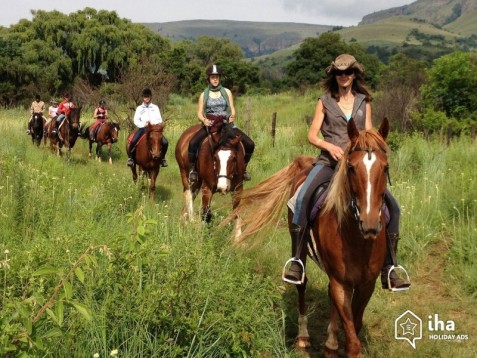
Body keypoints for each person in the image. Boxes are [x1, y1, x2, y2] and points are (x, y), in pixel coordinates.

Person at [283, 54, 411, 291]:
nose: (344, 77)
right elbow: (312, 135)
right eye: (339, 73)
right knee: (300, 199)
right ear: (334, 76)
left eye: (348, 72)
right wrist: (328, 146)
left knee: (393, 207)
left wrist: (374, 147)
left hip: (357, 166)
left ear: (355, 75)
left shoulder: (364, 101)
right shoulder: (324, 101)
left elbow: (369, 132)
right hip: (329, 163)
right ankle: (297, 261)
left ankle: (390, 267)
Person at [188, 64, 255, 183]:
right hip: (211, 124)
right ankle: (193, 170)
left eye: (217, 77)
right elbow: (199, 113)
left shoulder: (227, 92)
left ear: (219, 78)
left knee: (250, 143)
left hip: (226, 124)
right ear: (208, 78)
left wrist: (232, 115)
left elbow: (232, 108)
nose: (215, 79)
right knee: (193, 143)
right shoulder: (204, 95)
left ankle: (243, 169)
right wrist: (204, 120)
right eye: (213, 77)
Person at [127, 88, 168, 167]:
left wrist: (153, 124)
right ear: (143, 97)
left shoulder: (155, 107)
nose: (147, 98)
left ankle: (162, 158)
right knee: (133, 141)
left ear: (151, 97)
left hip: (154, 130)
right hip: (143, 129)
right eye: (145, 96)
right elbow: (136, 120)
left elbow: (159, 119)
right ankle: (131, 158)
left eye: (148, 96)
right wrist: (143, 124)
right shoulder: (139, 108)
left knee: (165, 142)